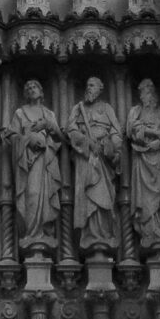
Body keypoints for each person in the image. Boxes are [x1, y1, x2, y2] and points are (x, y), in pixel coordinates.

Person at [67, 75, 122, 256]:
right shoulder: (78, 109)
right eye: (87, 85)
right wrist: (88, 143)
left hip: (103, 158)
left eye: (92, 85)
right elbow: (71, 130)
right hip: (86, 157)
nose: (88, 88)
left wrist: (110, 147)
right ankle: (90, 233)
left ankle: (104, 233)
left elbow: (116, 132)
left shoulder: (107, 108)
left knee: (104, 195)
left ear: (100, 89)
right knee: (88, 196)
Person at [10, 80, 64, 253]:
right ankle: (31, 233)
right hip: (28, 162)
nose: (31, 90)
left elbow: (60, 138)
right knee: (32, 194)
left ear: (41, 92)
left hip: (46, 161)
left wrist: (48, 125)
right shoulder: (20, 113)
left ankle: (44, 232)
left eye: (34, 87)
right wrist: (29, 140)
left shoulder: (48, 113)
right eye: (28, 88)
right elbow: (12, 136)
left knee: (46, 196)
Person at [125, 77, 160, 252]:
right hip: (142, 158)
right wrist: (155, 133)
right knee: (145, 197)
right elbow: (131, 130)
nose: (144, 96)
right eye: (141, 93)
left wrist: (159, 141)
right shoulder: (136, 111)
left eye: (147, 92)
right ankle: (149, 230)